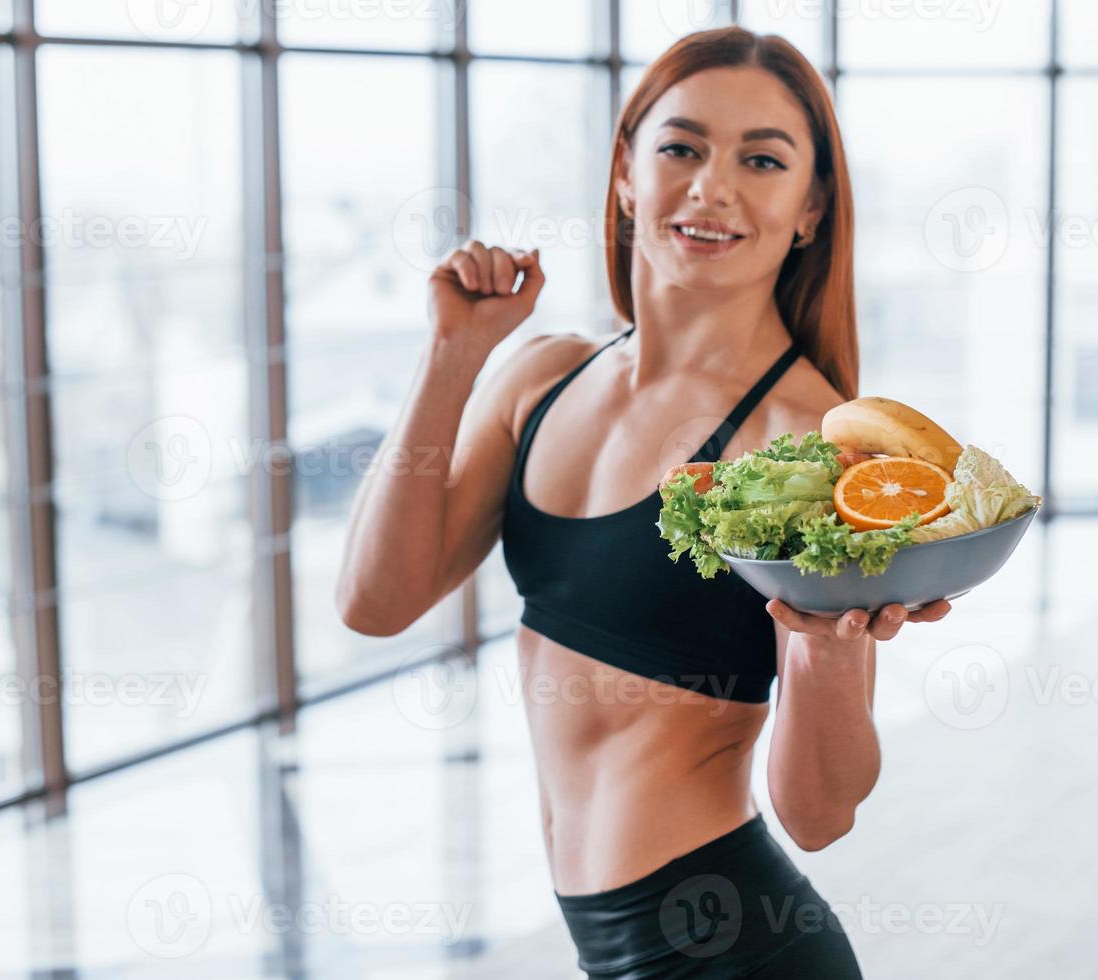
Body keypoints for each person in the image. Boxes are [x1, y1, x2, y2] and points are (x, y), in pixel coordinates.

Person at [337, 26, 952, 979]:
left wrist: (829, 647)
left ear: (811, 209)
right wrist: (453, 356)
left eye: (762, 159)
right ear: (626, 172)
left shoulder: (804, 445)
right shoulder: (543, 378)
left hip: (733, 951)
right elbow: (375, 604)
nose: (713, 186)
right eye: (681, 147)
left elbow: (821, 816)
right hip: (607, 948)